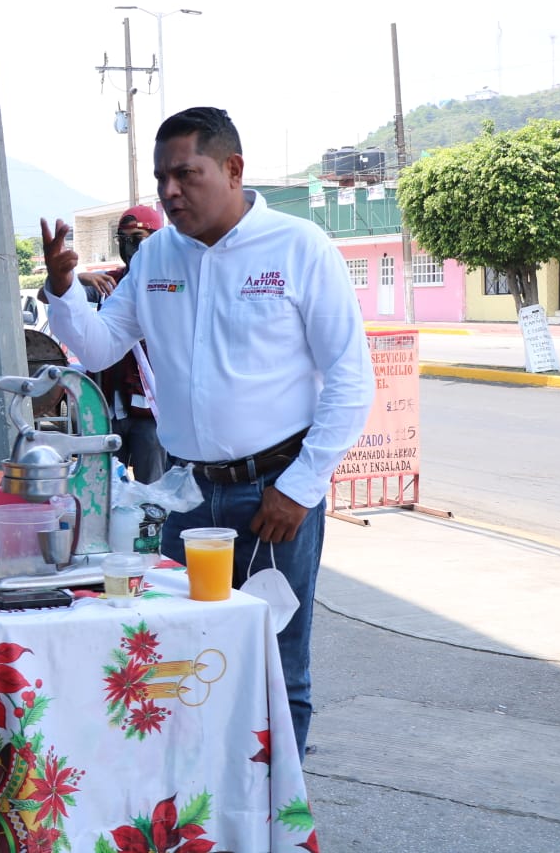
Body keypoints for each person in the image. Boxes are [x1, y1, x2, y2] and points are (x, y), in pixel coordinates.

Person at [40, 106, 374, 759]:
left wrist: (302, 487)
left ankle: (278, 818)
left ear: (232, 169)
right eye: (163, 177)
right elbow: (101, 347)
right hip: (186, 496)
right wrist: (62, 288)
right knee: (185, 657)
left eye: (185, 174)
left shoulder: (298, 248)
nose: (169, 192)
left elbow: (350, 380)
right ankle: (205, 804)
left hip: (272, 497)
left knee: (278, 661)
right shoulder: (160, 253)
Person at [75, 204, 170, 484]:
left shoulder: (170, 281)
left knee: (153, 489)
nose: (130, 247)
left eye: (137, 239)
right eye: (123, 240)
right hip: (108, 402)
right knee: (106, 488)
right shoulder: (109, 282)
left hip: (151, 409)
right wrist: (76, 278)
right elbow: (50, 295)